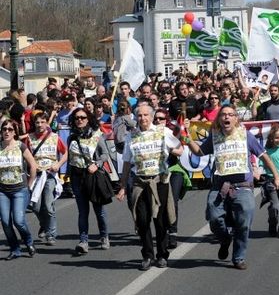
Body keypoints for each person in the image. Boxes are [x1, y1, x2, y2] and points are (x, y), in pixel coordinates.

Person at [185, 105, 279, 270]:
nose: (226, 117)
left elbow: (263, 156)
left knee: (244, 222)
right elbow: (199, 152)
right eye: (223, 115)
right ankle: (224, 239)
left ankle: (238, 256)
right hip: (220, 185)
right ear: (219, 119)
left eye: (230, 114)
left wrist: (277, 176)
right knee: (214, 217)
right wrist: (187, 137)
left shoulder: (246, 136)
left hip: (243, 186)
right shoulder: (214, 136)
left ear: (236, 119)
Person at [116, 105, 182, 270]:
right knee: (142, 221)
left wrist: (173, 147)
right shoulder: (132, 136)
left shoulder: (163, 132)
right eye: (139, 115)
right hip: (139, 182)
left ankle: (161, 254)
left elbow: (179, 150)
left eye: (146, 115)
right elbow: (126, 162)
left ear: (152, 117)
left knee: (160, 221)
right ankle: (147, 255)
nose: (143, 118)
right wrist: (123, 186)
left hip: (159, 181)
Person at [67, 107, 112, 254]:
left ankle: (104, 236)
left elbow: (105, 154)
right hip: (77, 177)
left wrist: (97, 164)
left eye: (83, 117)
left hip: (93, 177)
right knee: (82, 211)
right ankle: (83, 241)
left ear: (88, 119)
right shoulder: (71, 137)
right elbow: (69, 157)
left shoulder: (97, 136)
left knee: (99, 210)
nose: (79, 120)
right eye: (77, 118)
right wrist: (68, 176)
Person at [26, 112, 68, 246]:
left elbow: (66, 152)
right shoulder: (29, 138)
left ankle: (51, 234)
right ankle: (44, 225)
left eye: (42, 122)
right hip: (36, 176)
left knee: (48, 206)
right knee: (36, 207)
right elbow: (25, 156)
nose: (39, 125)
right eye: (37, 122)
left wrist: (58, 164)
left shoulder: (54, 137)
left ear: (46, 123)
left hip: (50, 176)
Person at [0, 119, 38, 260]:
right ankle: (15, 249)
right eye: (4, 129)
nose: (7, 132)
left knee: (19, 221)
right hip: (2, 191)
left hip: (19, 190)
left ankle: (28, 241)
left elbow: (33, 166)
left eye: (10, 129)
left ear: (15, 132)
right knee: (5, 221)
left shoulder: (21, 146)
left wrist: (29, 184)